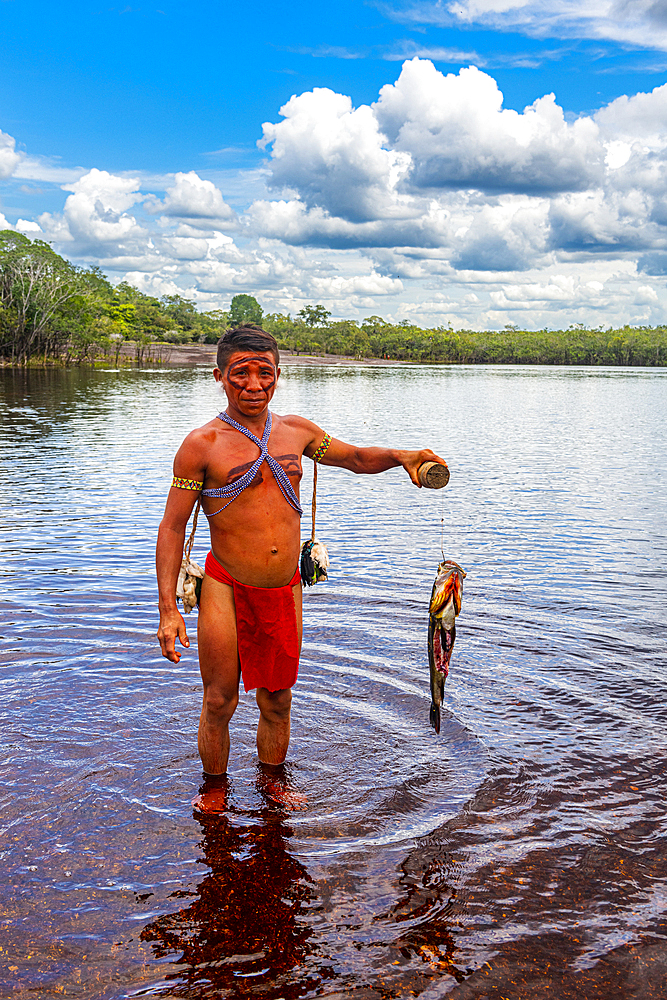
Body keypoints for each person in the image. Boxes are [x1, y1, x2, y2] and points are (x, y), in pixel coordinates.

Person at [156, 325, 447, 809]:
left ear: (278, 375)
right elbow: (171, 529)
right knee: (219, 700)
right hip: (225, 585)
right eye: (240, 374)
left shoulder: (298, 432)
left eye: (264, 373)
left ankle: (272, 781)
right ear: (219, 378)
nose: (253, 384)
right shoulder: (201, 445)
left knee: (277, 701)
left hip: (283, 586)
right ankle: (214, 788)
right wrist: (168, 611)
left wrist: (402, 456)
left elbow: (354, 458)